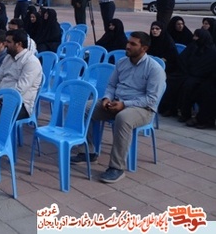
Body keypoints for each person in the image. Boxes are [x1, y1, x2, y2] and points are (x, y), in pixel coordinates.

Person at [71, 31, 166, 183]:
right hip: (116, 102)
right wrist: (107, 98)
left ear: (144, 48)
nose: (127, 46)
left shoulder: (154, 69)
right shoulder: (122, 62)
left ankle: (117, 167)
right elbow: (111, 85)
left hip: (142, 109)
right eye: (128, 42)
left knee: (123, 118)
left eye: (133, 44)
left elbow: (151, 99)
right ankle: (87, 152)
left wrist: (124, 105)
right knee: (83, 107)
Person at [0, 29, 42, 136]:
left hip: (20, 103)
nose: (5, 44)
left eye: (9, 42)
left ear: (18, 44)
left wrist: (0, 98)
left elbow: (20, 89)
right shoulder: (8, 58)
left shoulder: (31, 62)